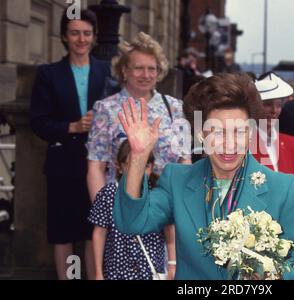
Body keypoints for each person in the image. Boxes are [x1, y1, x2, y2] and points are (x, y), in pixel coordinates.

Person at [113, 73, 294, 280]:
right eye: (217, 132)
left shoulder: (283, 187)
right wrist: (138, 157)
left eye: (239, 132)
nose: (229, 144)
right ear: (201, 134)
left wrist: (273, 276)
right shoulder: (177, 179)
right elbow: (132, 222)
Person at [86, 32, 190, 278]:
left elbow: (185, 161)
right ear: (124, 70)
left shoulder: (175, 108)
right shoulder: (106, 109)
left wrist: (182, 207)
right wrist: (109, 212)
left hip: (165, 210)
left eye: (152, 68)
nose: (146, 75)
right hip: (123, 206)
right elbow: (96, 167)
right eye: (139, 68)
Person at [30, 9, 111, 280]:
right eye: (75, 32)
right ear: (64, 36)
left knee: (94, 232)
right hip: (62, 165)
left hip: (100, 166)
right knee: (64, 233)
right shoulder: (48, 74)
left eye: (87, 33)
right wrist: (72, 127)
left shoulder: (107, 71)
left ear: (95, 37)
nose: (81, 39)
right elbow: (38, 122)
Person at [89, 140, 169, 280]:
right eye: (132, 165)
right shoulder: (109, 193)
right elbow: (99, 233)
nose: (140, 171)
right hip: (117, 272)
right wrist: (98, 272)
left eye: (146, 166)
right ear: (119, 167)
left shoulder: (157, 193)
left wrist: (173, 264)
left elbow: (169, 229)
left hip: (150, 271)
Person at [253, 72, 294, 177]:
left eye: (279, 105)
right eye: (267, 104)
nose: (274, 110)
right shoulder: (243, 143)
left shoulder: (293, 144)